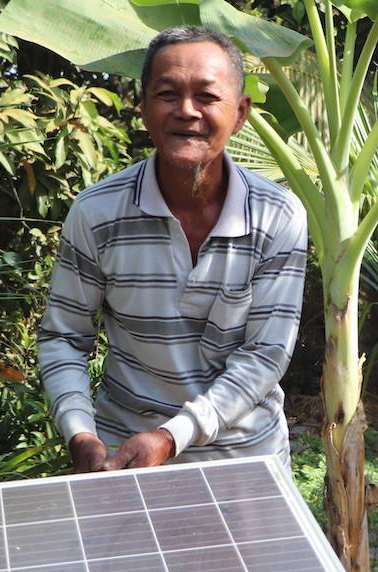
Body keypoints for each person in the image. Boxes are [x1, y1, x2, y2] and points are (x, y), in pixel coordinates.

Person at [38, 26, 307, 473]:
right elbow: (64, 338)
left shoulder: (277, 215)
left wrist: (172, 436)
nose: (187, 111)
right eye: (167, 94)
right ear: (143, 108)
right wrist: (80, 432)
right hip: (123, 458)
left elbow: (265, 355)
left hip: (245, 460)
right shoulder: (97, 212)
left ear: (240, 113)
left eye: (206, 96)